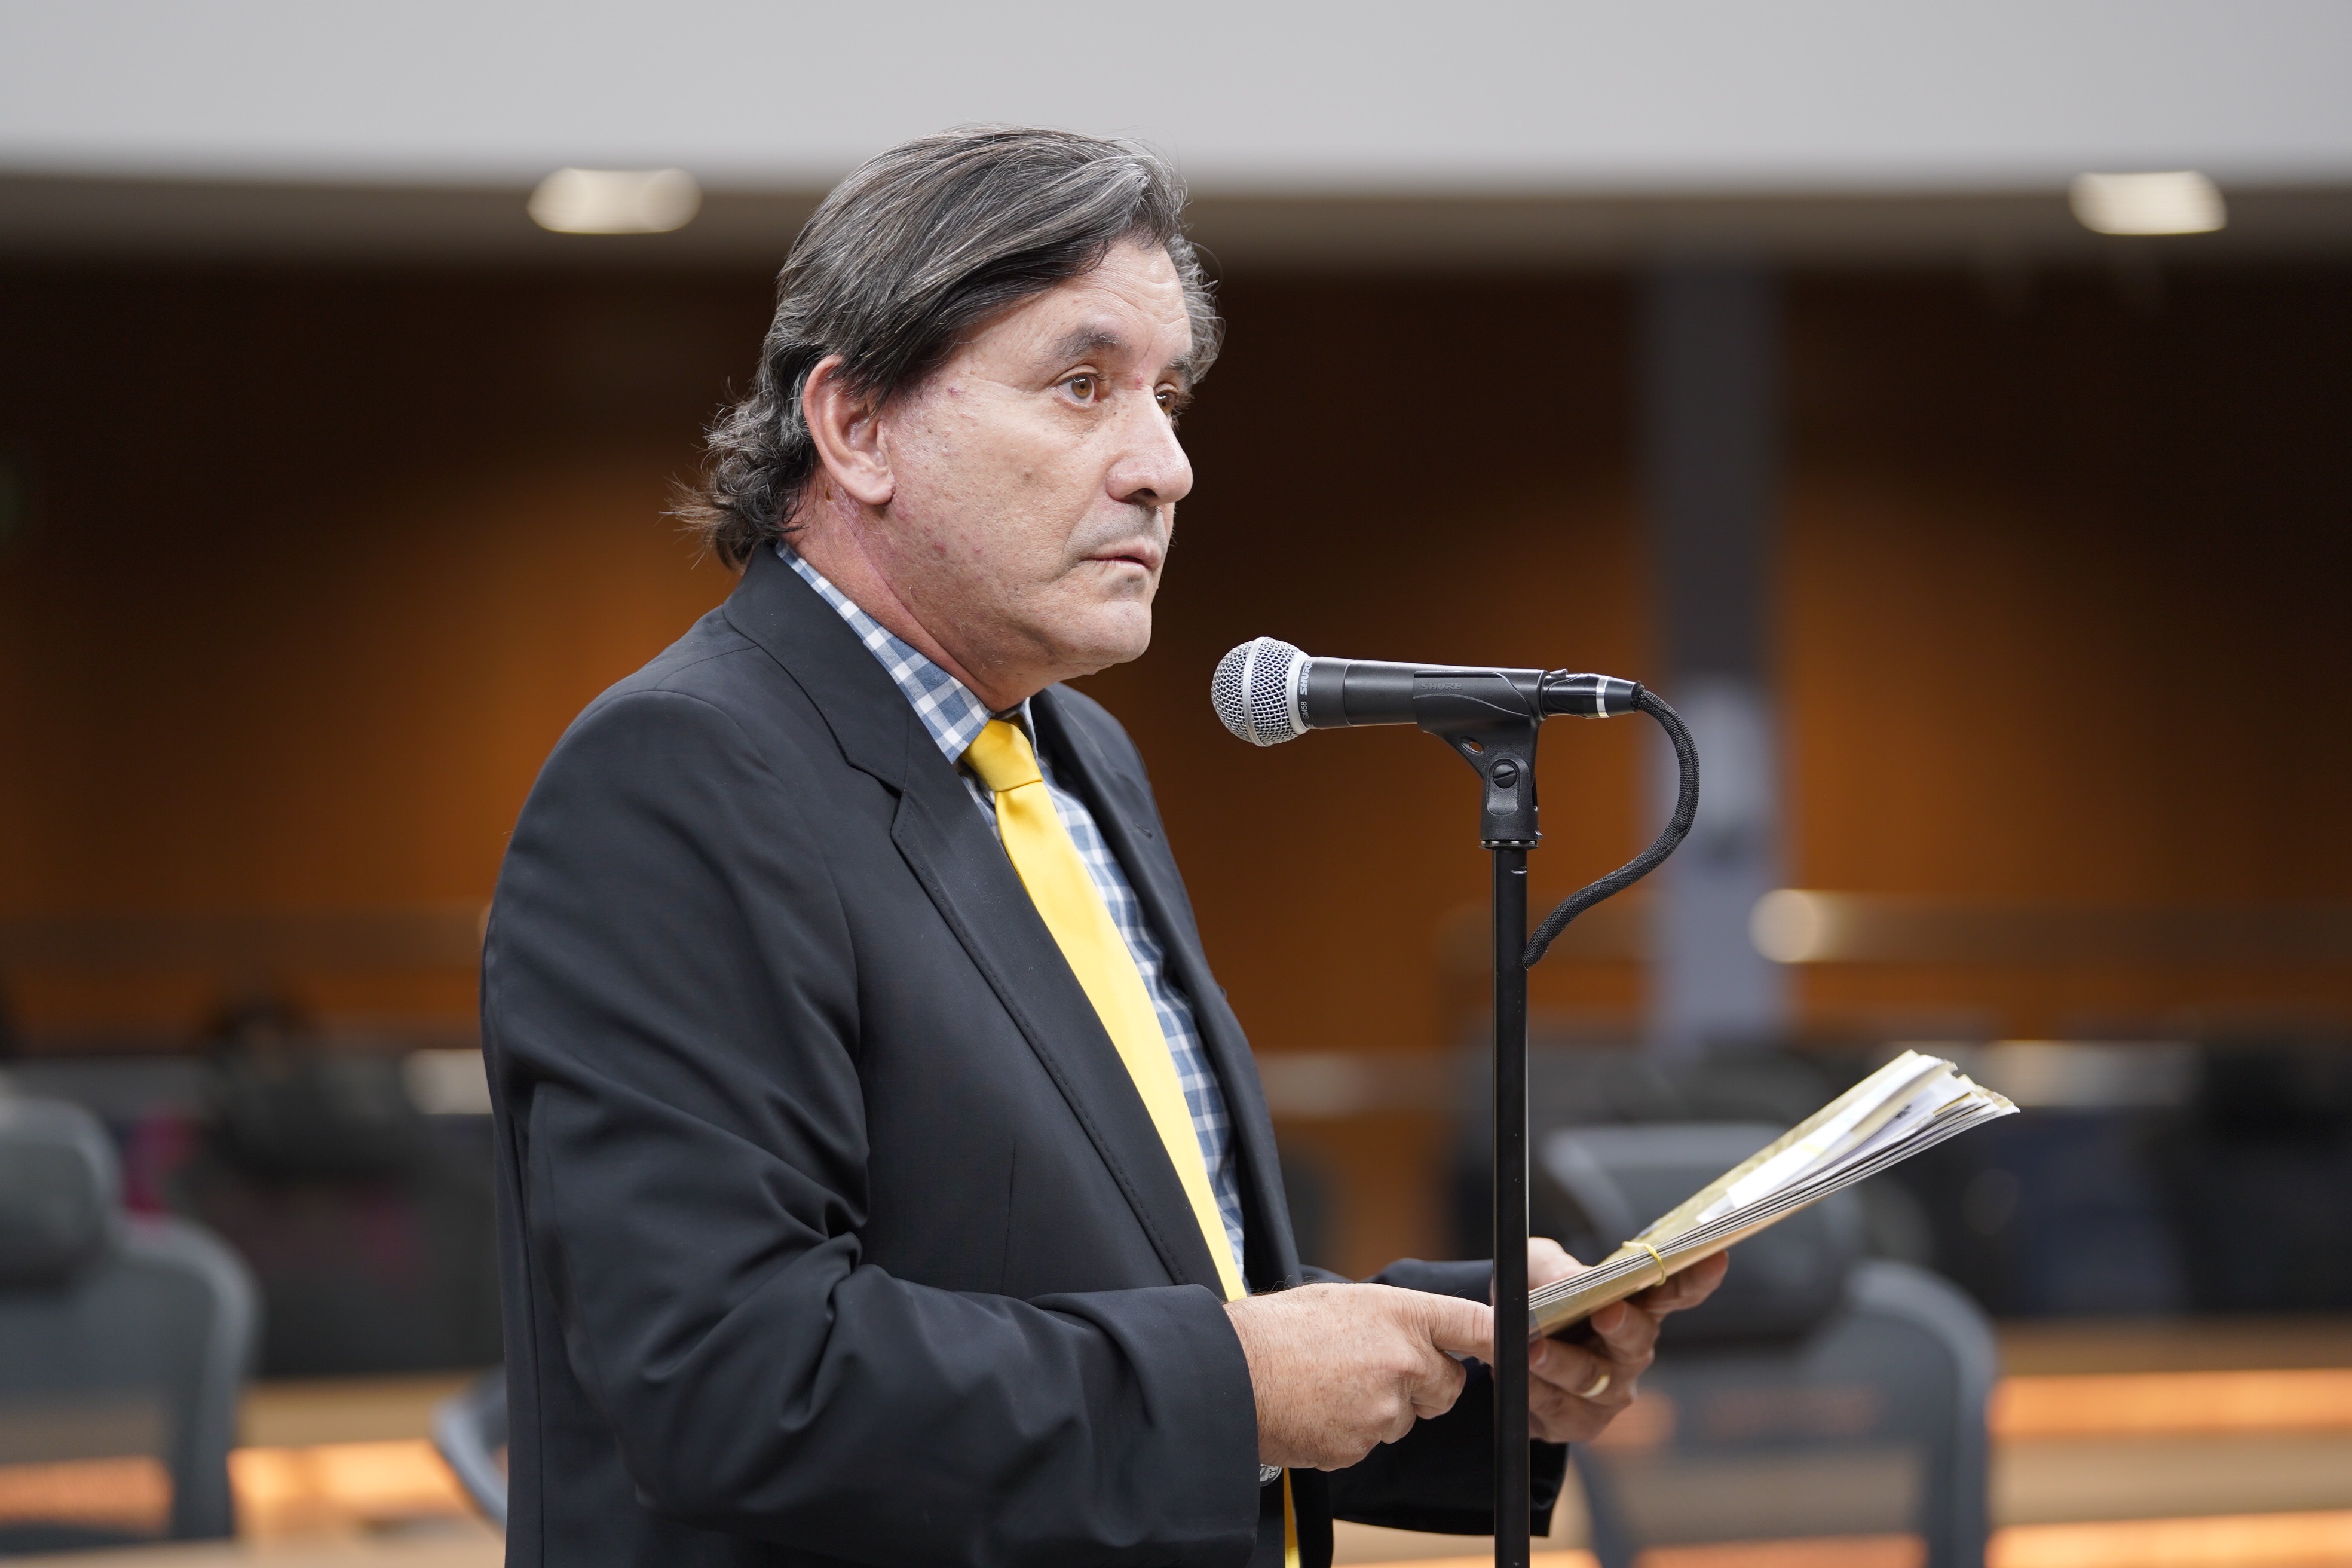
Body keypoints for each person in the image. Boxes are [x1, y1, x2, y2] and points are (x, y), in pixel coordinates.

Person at [482, 124, 1725, 1568]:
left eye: (1168, 395)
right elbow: (734, 1380)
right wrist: (1238, 1383)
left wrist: (1462, 1346)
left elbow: (1127, 1269)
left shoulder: (1078, 755)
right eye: (1083, 385)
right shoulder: (678, 777)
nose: (1166, 467)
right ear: (857, 426)